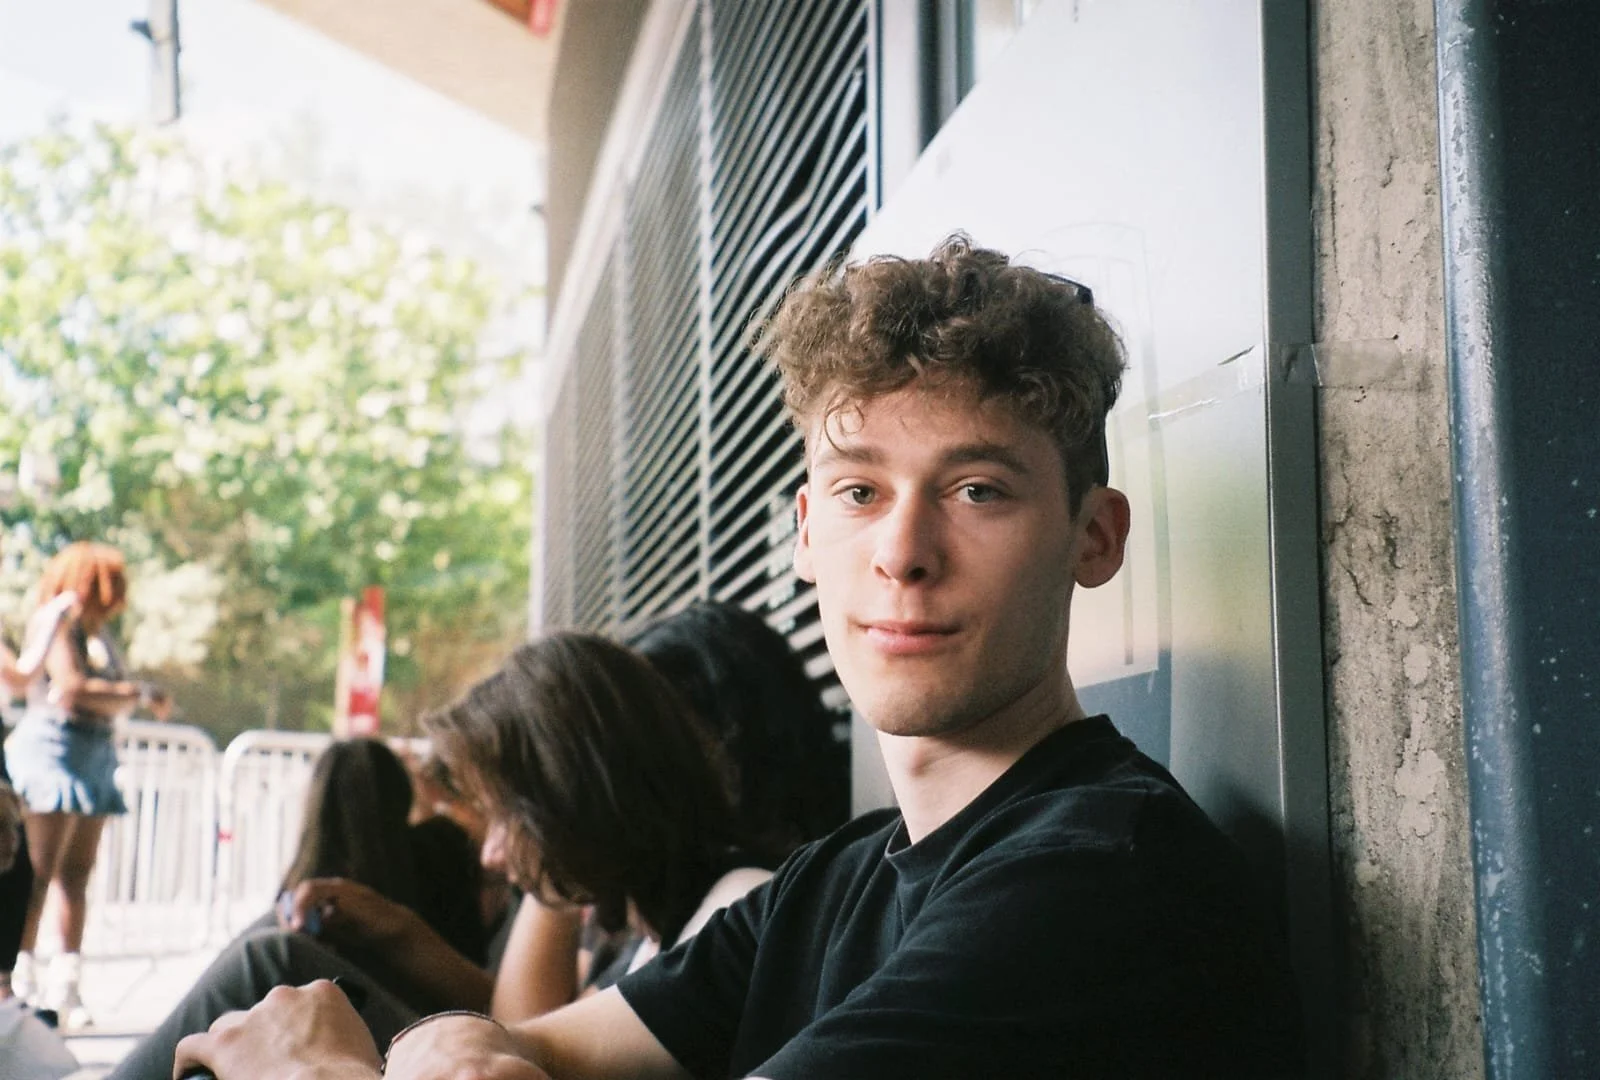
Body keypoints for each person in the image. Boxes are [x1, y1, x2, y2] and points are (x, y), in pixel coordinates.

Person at [174, 237, 1306, 1079]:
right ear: (808, 536)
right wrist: (454, 1050)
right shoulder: (837, 879)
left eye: (976, 490)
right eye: (859, 492)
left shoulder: (1100, 874)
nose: (903, 553)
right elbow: (529, 1043)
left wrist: (321, 1073)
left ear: (1093, 537)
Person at [119, 632, 773, 1080]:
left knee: (273, 959)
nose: (489, 854)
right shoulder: (638, 923)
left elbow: (523, 1037)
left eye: (507, 818)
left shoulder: (736, 907)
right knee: (276, 959)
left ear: (574, 800)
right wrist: (398, 932)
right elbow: (533, 1029)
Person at [4, 542, 170, 1025]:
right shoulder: (56, 622)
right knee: (35, 874)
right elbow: (72, 687)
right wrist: (130, 693)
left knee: (75, 875)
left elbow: (90, 692)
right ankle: (17, 979)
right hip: (52, 754)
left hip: (92, 754)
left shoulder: (99, 635)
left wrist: (118, 695)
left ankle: (66, 986)